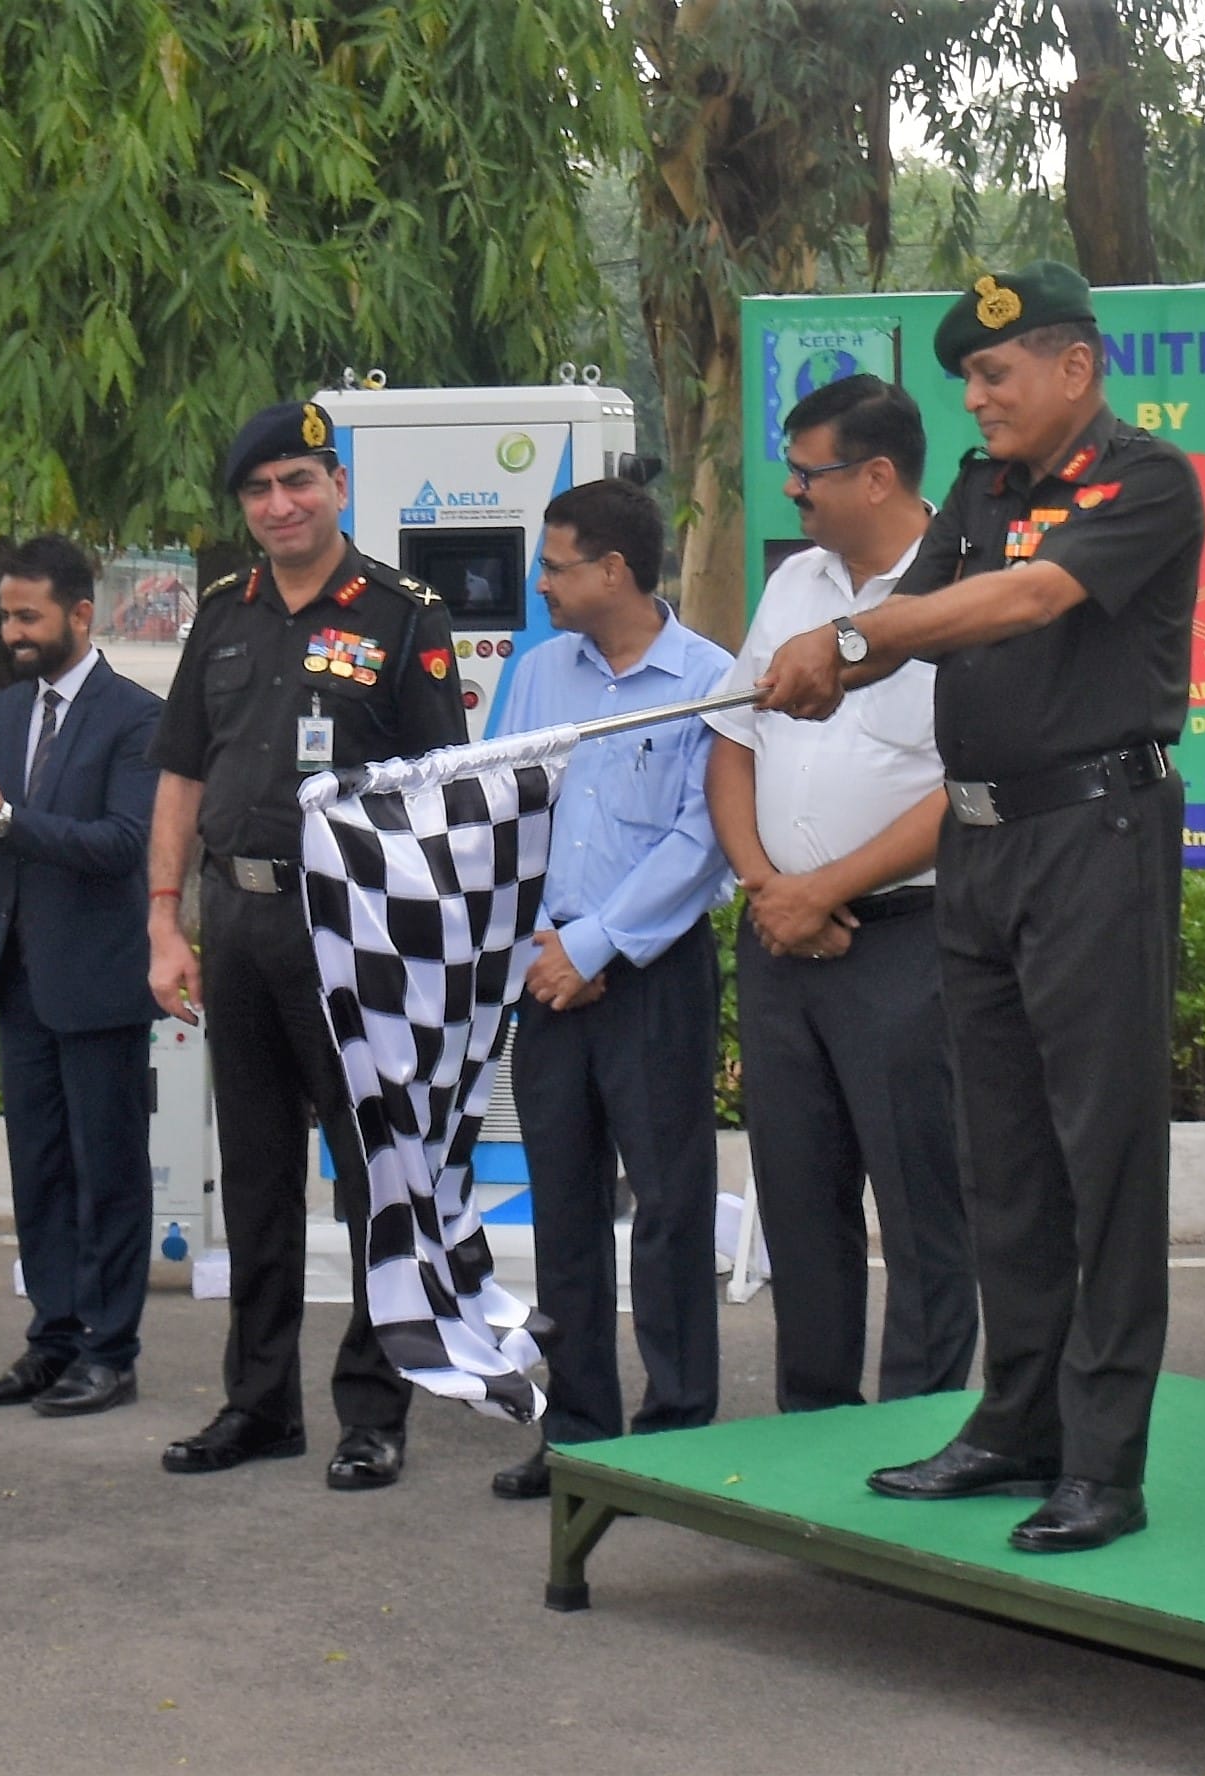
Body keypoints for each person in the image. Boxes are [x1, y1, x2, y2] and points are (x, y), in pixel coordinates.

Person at [752, 262, 1202, 1554]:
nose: (976, 397)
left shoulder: (1143, 481)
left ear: (1073, 367)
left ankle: (1103, 1464)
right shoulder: (978, 488)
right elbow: (912, 613)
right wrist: (825, 664)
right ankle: (1015, 1423)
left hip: (1092, 838)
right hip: (981, 844)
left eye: (994, 374)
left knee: (1101, 1157)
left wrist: (847, 645)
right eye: (965, 377)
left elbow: (1024, 597)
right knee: (1000, 1156)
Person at [143, 398, 468, 1485]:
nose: (279, 505)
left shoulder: (404, 618)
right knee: (256, 1175)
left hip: (352, 931)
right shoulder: (222, 615)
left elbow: (437, 800)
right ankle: (258, 1405)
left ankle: (373, 1412)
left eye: (298, 482)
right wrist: (163, 920)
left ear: (338, 488)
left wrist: (417, 949)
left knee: (375, 1175)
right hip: (237, 922)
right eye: (259, 490)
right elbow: (181, 773)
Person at [706, 373, 978, 1430]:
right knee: (798, 1204)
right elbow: (732, 742)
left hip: (906, 942)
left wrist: (824, 888)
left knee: (921, 1209)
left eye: (806, 473)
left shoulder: (966, 588)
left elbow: (970, 786)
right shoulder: (794, 585)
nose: (791, 490)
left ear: (875, 477)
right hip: (782, 942)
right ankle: (813, 1431)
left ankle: (919, 1433)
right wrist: (769, 888)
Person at [481, 479, 735, 1502]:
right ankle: (579, 1433)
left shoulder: (708, 678)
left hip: (650, 973)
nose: (539, 584)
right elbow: (500, 808)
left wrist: (592, 947)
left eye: (554, 566)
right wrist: (543, 952)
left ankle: (674, 1436)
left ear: (614, 570)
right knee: (564, 1208)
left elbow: (701, 840)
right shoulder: (539, 673)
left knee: (669, 1205)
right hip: (543, 975)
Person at [0, 534, 164, 1421]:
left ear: (80, 613)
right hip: (18, 979)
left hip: (97, 983)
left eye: (28, 616)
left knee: (108, 1174)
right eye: (4, 617)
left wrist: (1, 817)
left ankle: (109, 1352)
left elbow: (122, 844)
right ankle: (51, 1339)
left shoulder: (136, 717)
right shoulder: (5, 711)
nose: (12, 633)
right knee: (40, 1171)